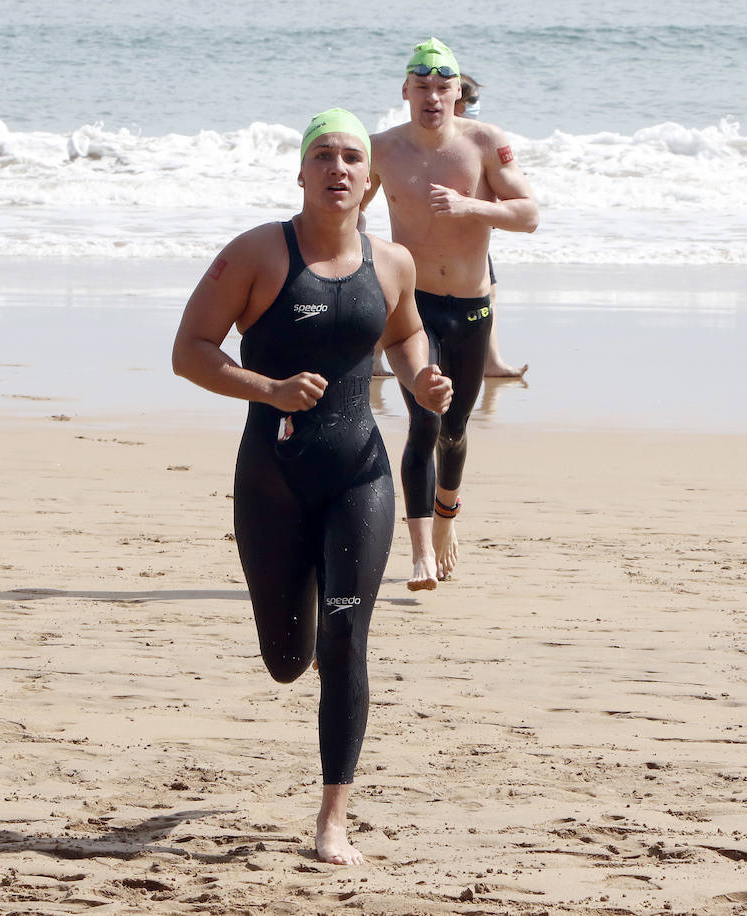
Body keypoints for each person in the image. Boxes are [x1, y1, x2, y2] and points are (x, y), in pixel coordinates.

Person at [172, 109, 451, 866]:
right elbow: (189, 351)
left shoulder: (391, 262)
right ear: (301, 173)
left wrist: (421, 377)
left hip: (358, 471)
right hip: (273, 478)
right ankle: (313, 645)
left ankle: (333, 817)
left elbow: (403, 332)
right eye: (322, 155)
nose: (338, 167)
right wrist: (266, 388)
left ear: (370, 178)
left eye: (352, 157)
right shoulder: (259, 254)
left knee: (348, 636)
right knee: (289, 659)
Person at [363, 38, 539, 589]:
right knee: (424, 420)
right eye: (423, 88)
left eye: (443, 88)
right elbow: (343, 210)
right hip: (412, 308)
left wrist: (471, 206)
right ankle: (418, 555)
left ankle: (446, 517)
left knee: (455, 431)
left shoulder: (485, 143)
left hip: (468, 307)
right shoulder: (382, 149)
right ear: (405, 92)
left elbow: (529, 213)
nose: (433, 98)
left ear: (458, 93)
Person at [456, 73, 527, 379]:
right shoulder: (450, 139)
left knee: (490, 292)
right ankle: (377, 354)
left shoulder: (479, 137)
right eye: (470, 100)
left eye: (476, 101)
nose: (475, 106)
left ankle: (492, 361)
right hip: (450, 236)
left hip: (477, 229)